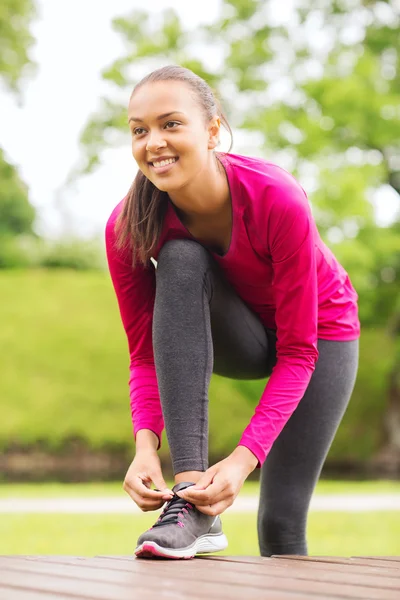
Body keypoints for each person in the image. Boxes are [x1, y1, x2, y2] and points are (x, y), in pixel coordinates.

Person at [105, 65, 360, 560]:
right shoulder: (129, 227)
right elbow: (143, 356)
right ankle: (192, 502)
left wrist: (243, 461)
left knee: (281, 521)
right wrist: (144, 447)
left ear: (214, 130)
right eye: (140, 130)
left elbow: (298, 353)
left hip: (320, 336)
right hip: (235, 333)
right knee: (180, 259)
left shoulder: (276, 196)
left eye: (171, 124)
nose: (154, 141)